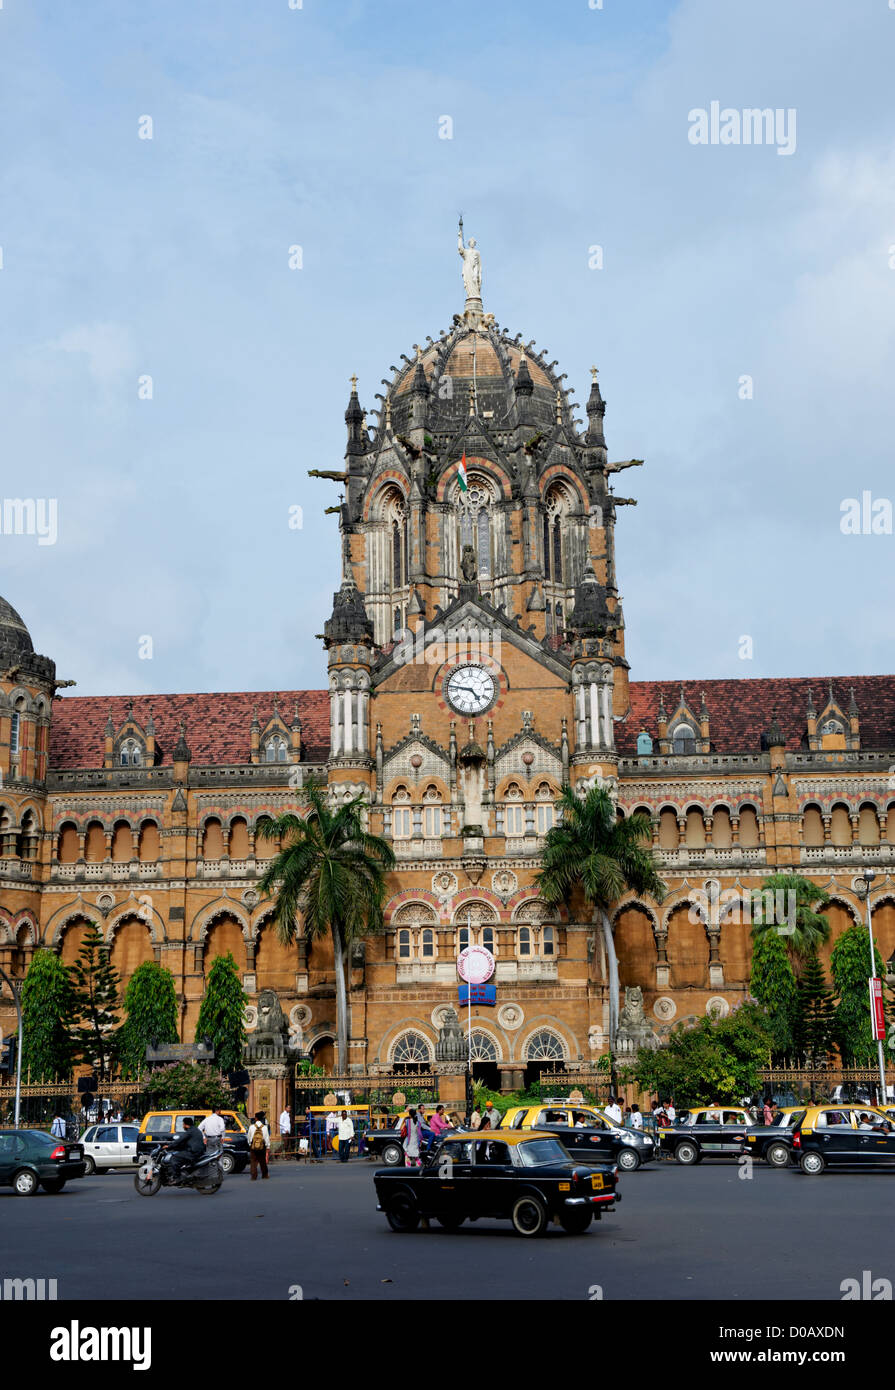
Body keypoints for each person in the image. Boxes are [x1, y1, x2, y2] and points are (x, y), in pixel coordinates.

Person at [247, 1111, 271, 1180]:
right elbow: (266, 1138)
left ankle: (253, 1176)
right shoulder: (264, 1127)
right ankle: (265, 1175)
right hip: (262, 1146)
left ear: (256, 1118)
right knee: (262, 1161)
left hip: (253, 1146)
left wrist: (249, 1144)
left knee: (253, 1161)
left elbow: (249, 1137)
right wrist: (268, 1146)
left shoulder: (251, 1127)